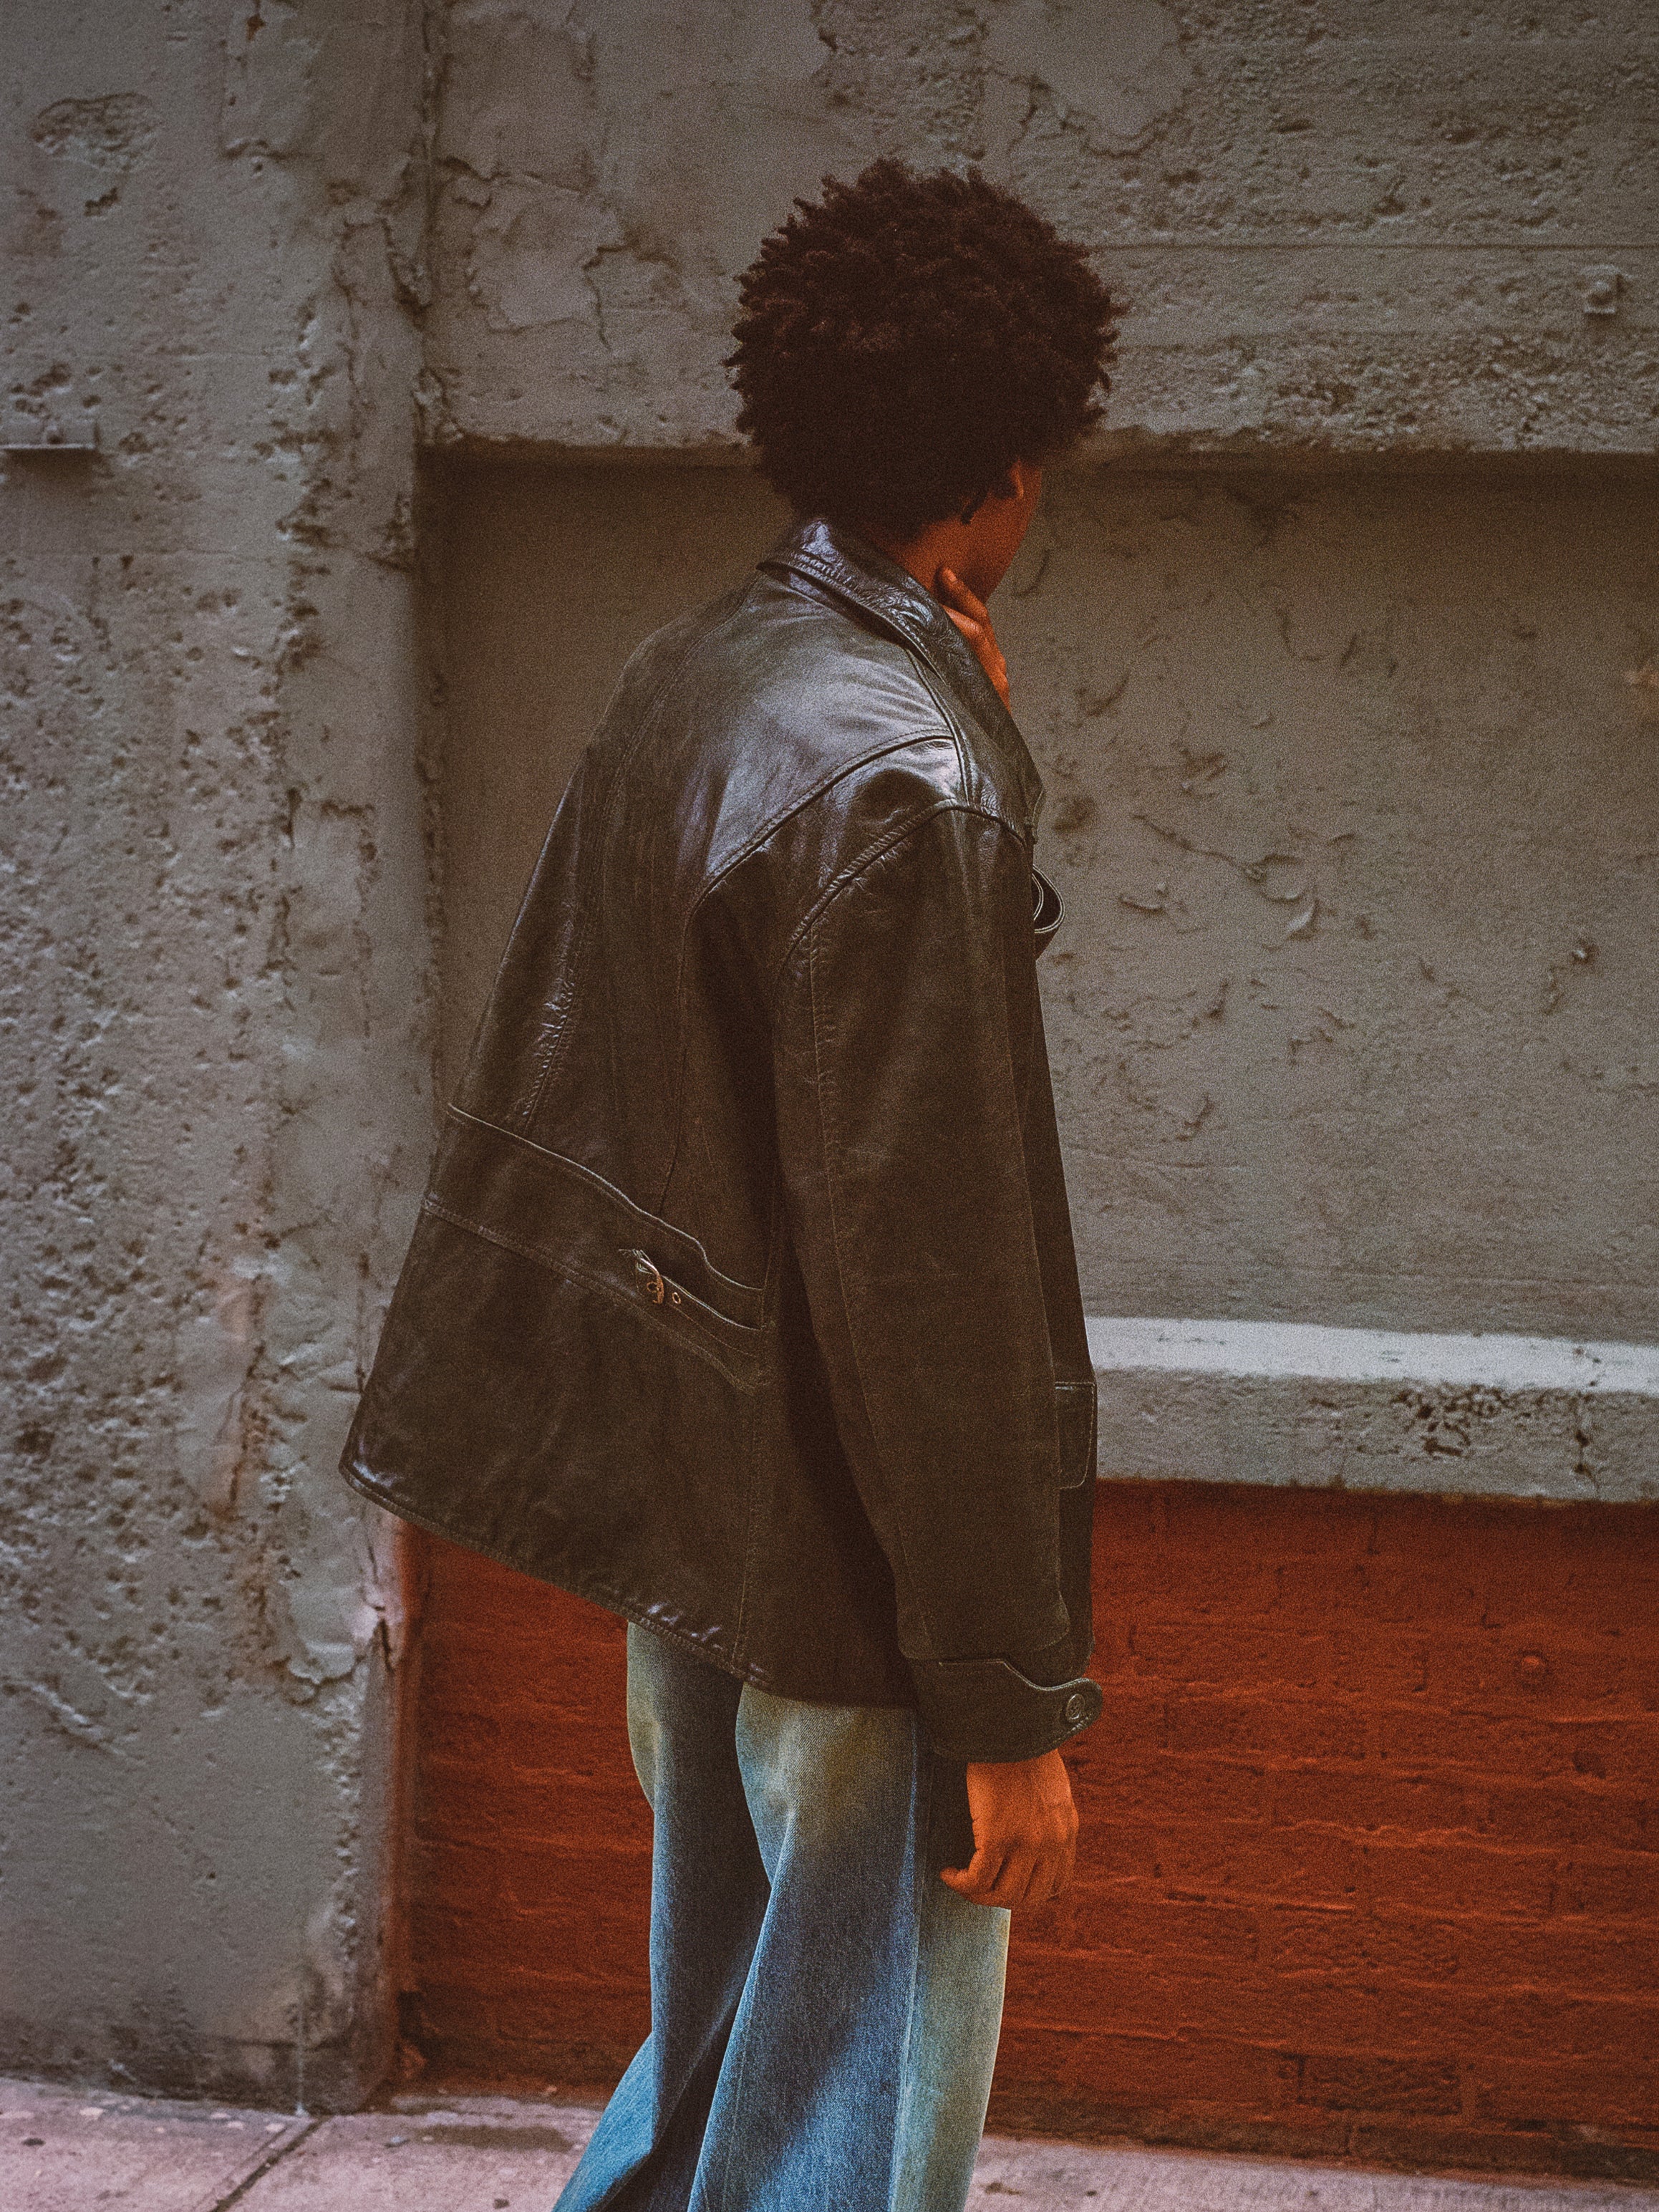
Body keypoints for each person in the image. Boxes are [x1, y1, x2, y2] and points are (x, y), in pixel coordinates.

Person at [341, 158, 1116, 2211]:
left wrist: (964, 736)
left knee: (729, 2039)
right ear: (1000, 474)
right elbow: (929, 1285)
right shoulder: (904, 780)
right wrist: (1008, 1705)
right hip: (856, 1576)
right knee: (844, 2108)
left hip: (695, 1518)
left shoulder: (703, 666)